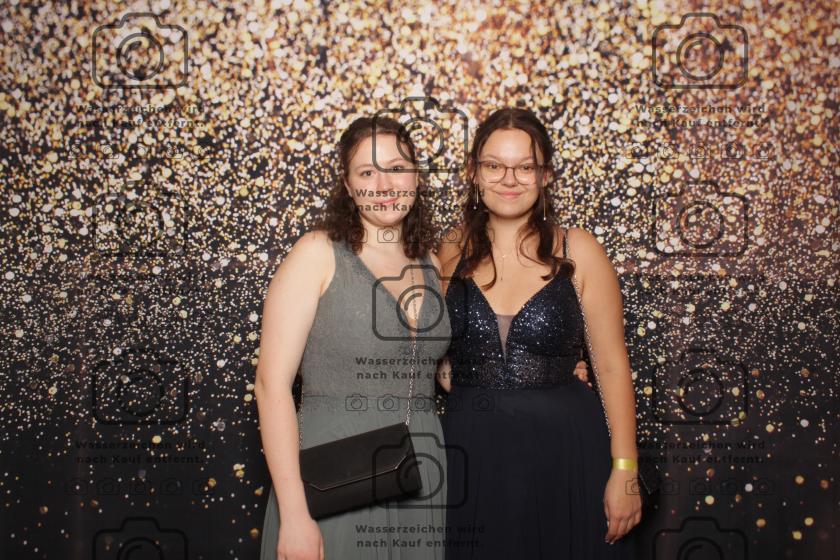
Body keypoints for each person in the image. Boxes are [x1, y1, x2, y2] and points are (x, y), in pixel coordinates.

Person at [437, 107, 641, 559]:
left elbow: (611, 366)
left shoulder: (579, 248)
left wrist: (625, 469)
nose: (509, 179)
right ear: (473, 172)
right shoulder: (450, 249)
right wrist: (452, 373)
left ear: (545, 174)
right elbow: (432, 348)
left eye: (525, 167)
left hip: (566, 448)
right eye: (494, 165)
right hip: (473, 447)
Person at [255, 116, 452, 560]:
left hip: (420, 465)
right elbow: (270, 386)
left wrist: (539, 370)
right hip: (337, 470)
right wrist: (295, 512)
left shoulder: (431, 263)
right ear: (347, 184)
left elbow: (435, 370)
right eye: (367, 172)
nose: (384, 185)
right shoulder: (317, 253)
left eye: (397, 168)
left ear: (416, 177)